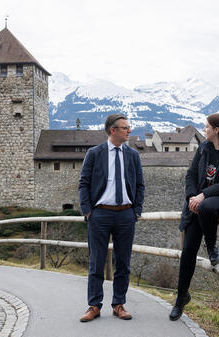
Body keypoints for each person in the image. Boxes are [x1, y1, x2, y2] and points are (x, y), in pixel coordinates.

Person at [169, 113, 219, 321]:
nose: (204, 130)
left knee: (206, 206)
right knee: (188, 252)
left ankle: (212, 247)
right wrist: (192, 196)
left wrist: (203, 195)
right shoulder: (204, 149)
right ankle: (181, 298)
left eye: (207, 127)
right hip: (198, 203)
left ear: (217, 129)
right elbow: (191, 174)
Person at [78, 113, 145, 322]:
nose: (129, 131)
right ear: (112, 130)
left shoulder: (133, 155)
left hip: (126, 214)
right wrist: (88, 211)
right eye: (125, 127)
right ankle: (94, 306)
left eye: (129, 127)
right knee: (96, 262)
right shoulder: (94, 153)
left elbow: (140, 185)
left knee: (123, 263)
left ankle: (118, 304)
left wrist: (136, 211)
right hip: (100, 214)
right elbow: (84, 183)